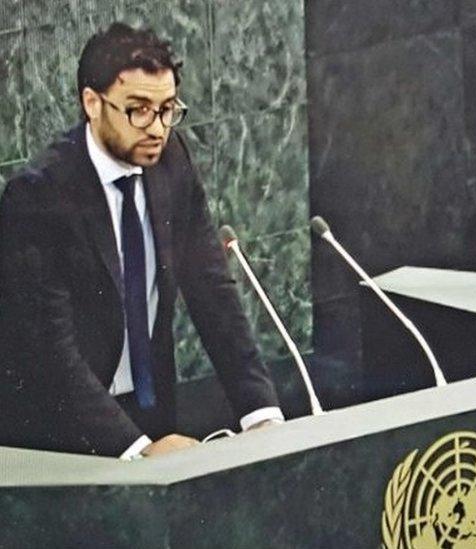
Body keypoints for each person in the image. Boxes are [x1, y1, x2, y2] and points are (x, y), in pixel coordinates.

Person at [0, 22, 283, 459]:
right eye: (138, 110)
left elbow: (212, 291)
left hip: (151, 409)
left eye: (168, 108)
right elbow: (51, 350)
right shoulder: (41, 193)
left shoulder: (171, 162)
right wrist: (138, 449)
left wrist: (260, 412)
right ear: (92, 104)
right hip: (63, 435)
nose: (157, 128)